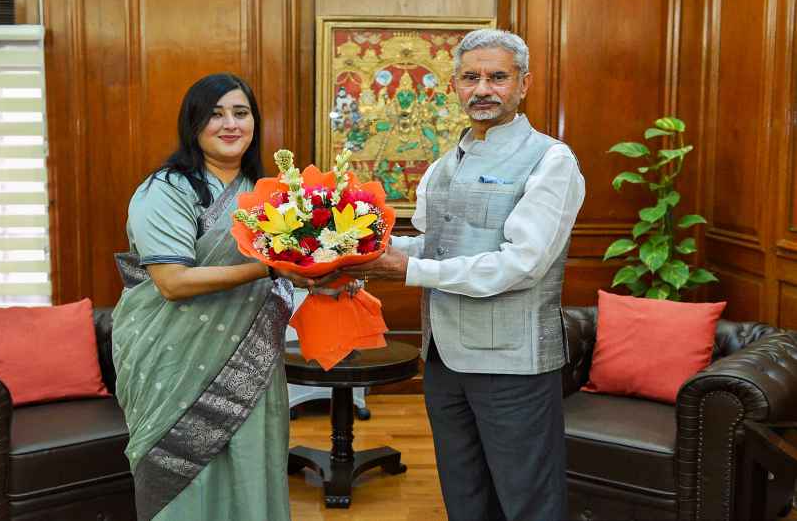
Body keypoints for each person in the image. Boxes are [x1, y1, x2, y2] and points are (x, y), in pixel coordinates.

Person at [343, 29, 586, 521]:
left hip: (512, 364)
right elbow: (430, 245)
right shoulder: (443, 163)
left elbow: (521, 264)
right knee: (465, 495)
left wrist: (406, 268)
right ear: (453, 85)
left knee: (528, 503)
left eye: (498, 77)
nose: (483, 89)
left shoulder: (551, 160)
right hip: (444, 360)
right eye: (471, 77)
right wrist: (358, 254)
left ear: (524, 84)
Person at [111, 73, 311, 521]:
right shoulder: (166, 190)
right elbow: (172, 282)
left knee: (251, 463)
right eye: (215, 114)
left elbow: (295, 267)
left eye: (241, 113)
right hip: (172, 355)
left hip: (252, 358)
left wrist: (331, 273)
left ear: (255, 123)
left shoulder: (269, 195)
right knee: (185, 476)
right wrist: (270, 267)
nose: (230, 124)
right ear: (194, 124)